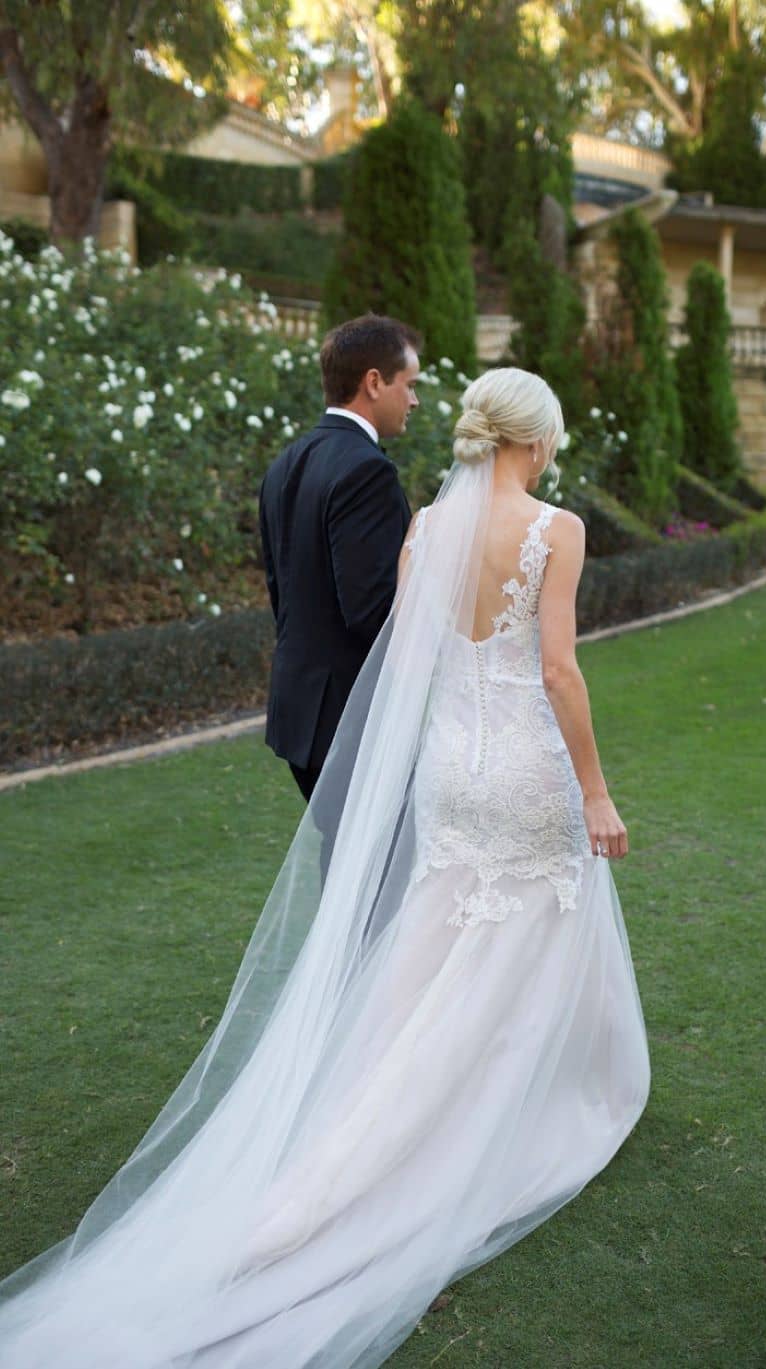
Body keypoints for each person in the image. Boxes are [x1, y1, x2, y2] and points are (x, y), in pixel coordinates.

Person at [0, 368, 650, 1369]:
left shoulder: (427, 530)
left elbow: (417, 657)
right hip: (521, 760)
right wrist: (597, 789)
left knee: (440, 940)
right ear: (539, 438)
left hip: (448, 765)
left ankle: (391, 1108)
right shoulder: (554, 529)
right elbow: (559, 668)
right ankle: (505, 1105)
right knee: (528, 928)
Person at [259, 313, 421, 801]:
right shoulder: (366, 472)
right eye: (410, 385)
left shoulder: (285, 462)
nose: (414, 400)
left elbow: (279, 589)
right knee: (385, 869)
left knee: (347, 867)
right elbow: (371, 610)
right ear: (374, 382)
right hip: (351, 717)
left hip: (298, 711)